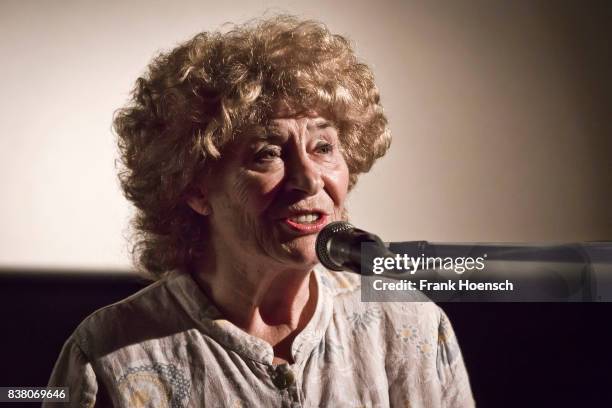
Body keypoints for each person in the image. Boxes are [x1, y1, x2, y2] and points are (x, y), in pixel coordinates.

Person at [46, 15, 474, 407]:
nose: (308, 180)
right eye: (268, 153)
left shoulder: (410, 327)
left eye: (323, 148)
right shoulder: (107, 354)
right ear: (194, 188)